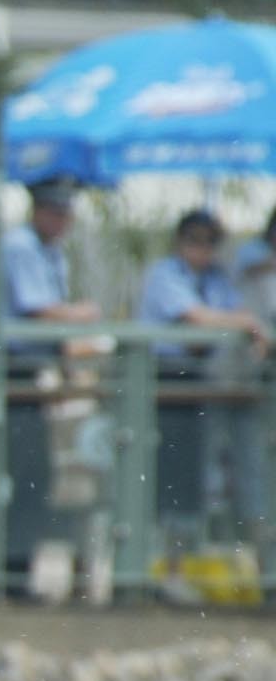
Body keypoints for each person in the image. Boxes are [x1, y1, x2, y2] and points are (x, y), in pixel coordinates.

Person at [140, 209, 269, 529]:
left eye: (210, 242)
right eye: (194, 240)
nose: (201, 249)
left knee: (194, 474)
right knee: (164, 474)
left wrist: (246, 323)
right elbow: (196, 317)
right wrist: (248, 323)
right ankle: (161, 560)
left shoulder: (214, 277)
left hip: (199, 382)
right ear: (178, 241)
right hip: (161, 380)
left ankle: (184, 558)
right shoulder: (163, 273)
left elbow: (233, 310)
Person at [1, 179, 100, 581]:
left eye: (66, 214)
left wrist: (67, 366)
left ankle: (19, 573)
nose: (62, 221)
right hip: (9, 371)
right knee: (23, 472)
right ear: (38, 210)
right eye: (55, 212)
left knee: (37, 475)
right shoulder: (20, 245)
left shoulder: (52, 252)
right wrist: (80, 315)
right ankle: (10, 573)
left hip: (36, 373)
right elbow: (36, 310)